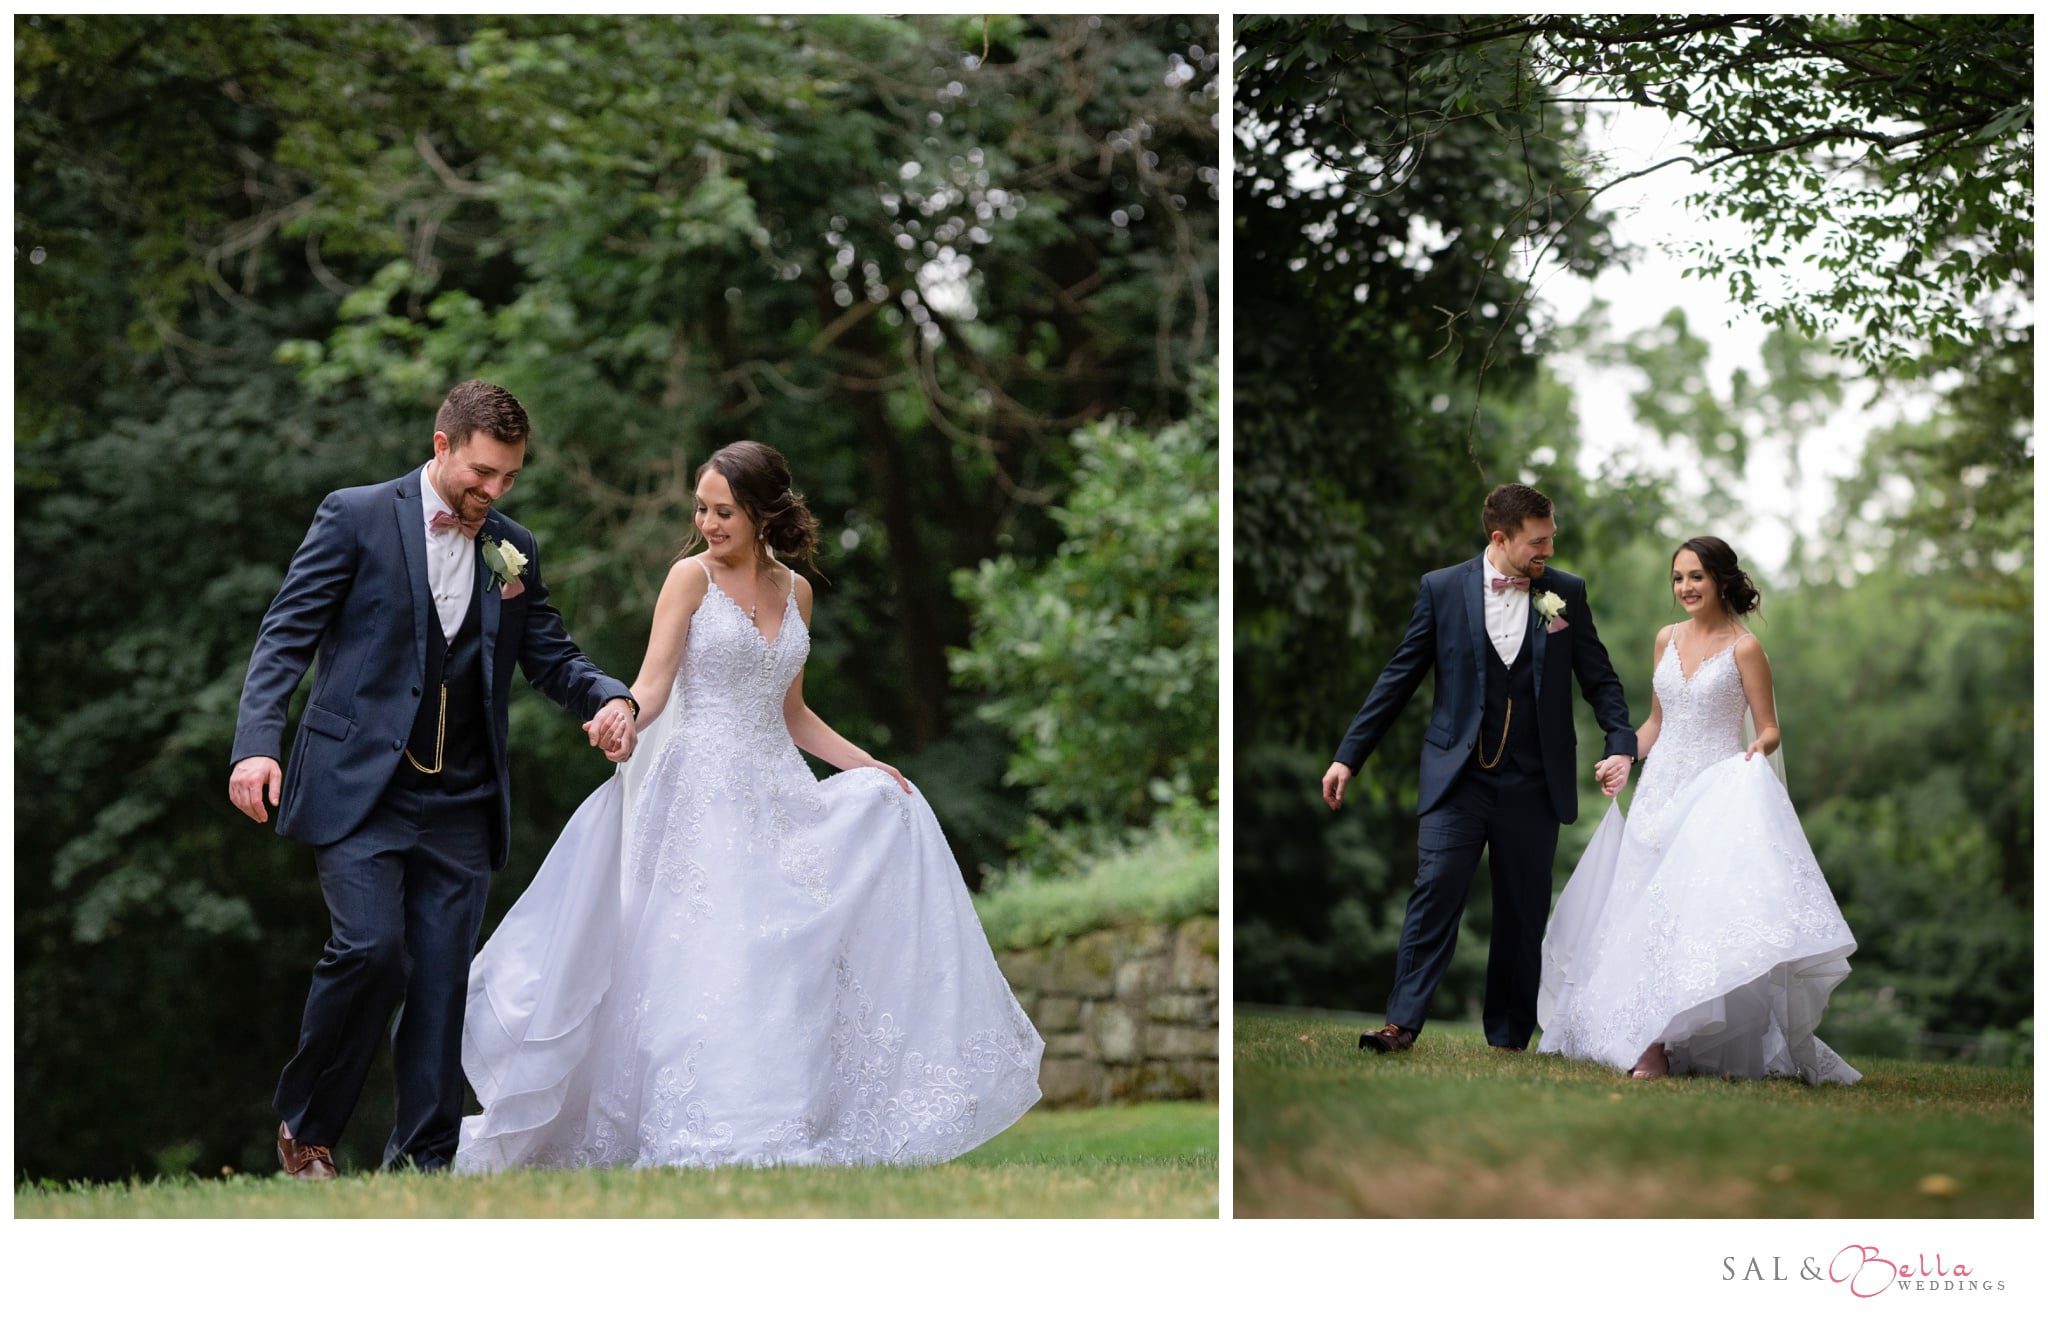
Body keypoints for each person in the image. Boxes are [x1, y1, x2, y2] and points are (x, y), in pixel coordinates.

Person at [454, 440, 1043, 1171]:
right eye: (701, 507)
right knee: (717, 953)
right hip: (702, 796)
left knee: (787, 952)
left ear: (763, 513)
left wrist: (870, 766)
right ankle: (703, 1126)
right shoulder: (689, 578)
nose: (708, 522)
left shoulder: (798, 592)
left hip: (778, 789)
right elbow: (656, 681)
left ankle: (786, 1120)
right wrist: (622, 715)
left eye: (724, 510)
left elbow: (792, 713)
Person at [229, 380, 638, 1178]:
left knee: (444, 981)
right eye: (483, 473)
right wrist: (255, 743)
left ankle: (423, 1160)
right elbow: (285, 635)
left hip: (462, 796)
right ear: (442, 445)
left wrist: (610, 696)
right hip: (360, 786)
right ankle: (307, 1127)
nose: (493, 491)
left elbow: (549, 655)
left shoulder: (510, 546)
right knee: (372, 949)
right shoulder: (354, 516)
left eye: (510, 477)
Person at [1322, 483, 1637, 1054]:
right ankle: (1401, 1024)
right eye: (1539, 541)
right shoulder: (1441, 590)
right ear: (1501, 538)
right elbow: (1398, 678)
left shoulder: (1565, 594)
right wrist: (1349, 754)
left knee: (1521, 911)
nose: (1550, 550)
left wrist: (1621, 742)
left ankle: (1510, 1038)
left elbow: (1600, 679)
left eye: (1552, 538)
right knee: (1435, 892)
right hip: (1458, 777)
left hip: (1534, 782)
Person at [1537, 538, 1860, 1083]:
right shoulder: (1665, 639)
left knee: (1677, 919)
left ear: (1721, 581)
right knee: (1639, 918)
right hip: (1657, 794)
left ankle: (1655, 1046)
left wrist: (1761, 749)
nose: (1685, 588)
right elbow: (1657, 725)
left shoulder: (1745, 649)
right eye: (1677, 578)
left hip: (1712, 796)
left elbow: (1769, 725)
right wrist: (1622, 754)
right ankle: (1643, 1034)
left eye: (1696, 577)